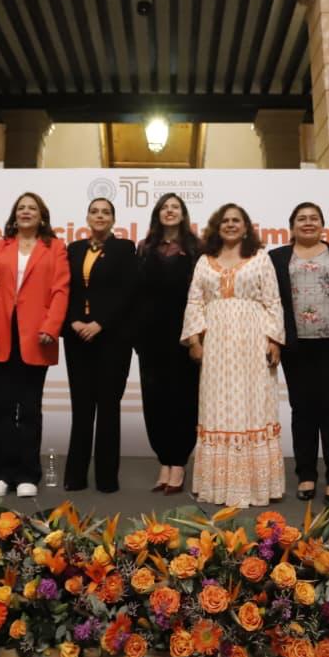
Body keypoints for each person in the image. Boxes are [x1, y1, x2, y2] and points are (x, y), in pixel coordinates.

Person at [181, 203, 285, 508]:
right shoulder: (205, 261)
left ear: (246, 226)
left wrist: (274, 340)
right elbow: (195, 302)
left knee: (253, 403)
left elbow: (273, 301)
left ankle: (254, 485)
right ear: (217, 226)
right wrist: (194, 341)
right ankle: (218, 485)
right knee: (217, 404)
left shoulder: (260, 258)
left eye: (236, 220)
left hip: (253, 341)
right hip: (216, 345)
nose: (230, 224)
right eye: (225, 220)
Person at [0, 192, 70, 499]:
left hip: (37, 337)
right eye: (21, 208)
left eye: (32, 208)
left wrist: (51, 327)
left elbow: (60, 291)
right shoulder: (0, 246)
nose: (26, 212)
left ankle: (28, 474)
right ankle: (2, 474)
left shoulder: (55, 247)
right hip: (0, 336)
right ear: (14, 216)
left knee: (29, 408)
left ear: (42, 217)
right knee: (2, 408)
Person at [270, 202, 329, 505]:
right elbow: (272, 301)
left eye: (314, 218)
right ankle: (306, 475)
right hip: (296, 346)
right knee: (303, 411)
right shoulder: (277, 258)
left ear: (322, 224)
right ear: (292, 226)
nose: (308, 223)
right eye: (301, 219)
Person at [63, 197, 137, 494]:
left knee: (108, 407)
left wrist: (100, 322)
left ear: (113, 219)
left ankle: (107, 479)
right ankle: (75, 477)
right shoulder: (73, 249)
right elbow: (65, 289)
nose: (100, 216)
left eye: (106, 212)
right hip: (77, 337)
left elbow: (128, 292)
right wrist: (72, 321)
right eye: (94, 211)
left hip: (112, 338)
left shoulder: (125, 248)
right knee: (81, 408)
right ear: (87, 217)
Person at [135, 192, 200, 495]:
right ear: (158, 214)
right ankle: (163, 460)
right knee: (155, 399)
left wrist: (198, 335)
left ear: (183, 214)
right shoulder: (144, 247)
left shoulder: (196, 248)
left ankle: (179, 462)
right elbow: (137, 292)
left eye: (175, 207)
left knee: (184, 399)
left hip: (185, 335)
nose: (170, 211)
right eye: (165, 207)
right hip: (150, 336)